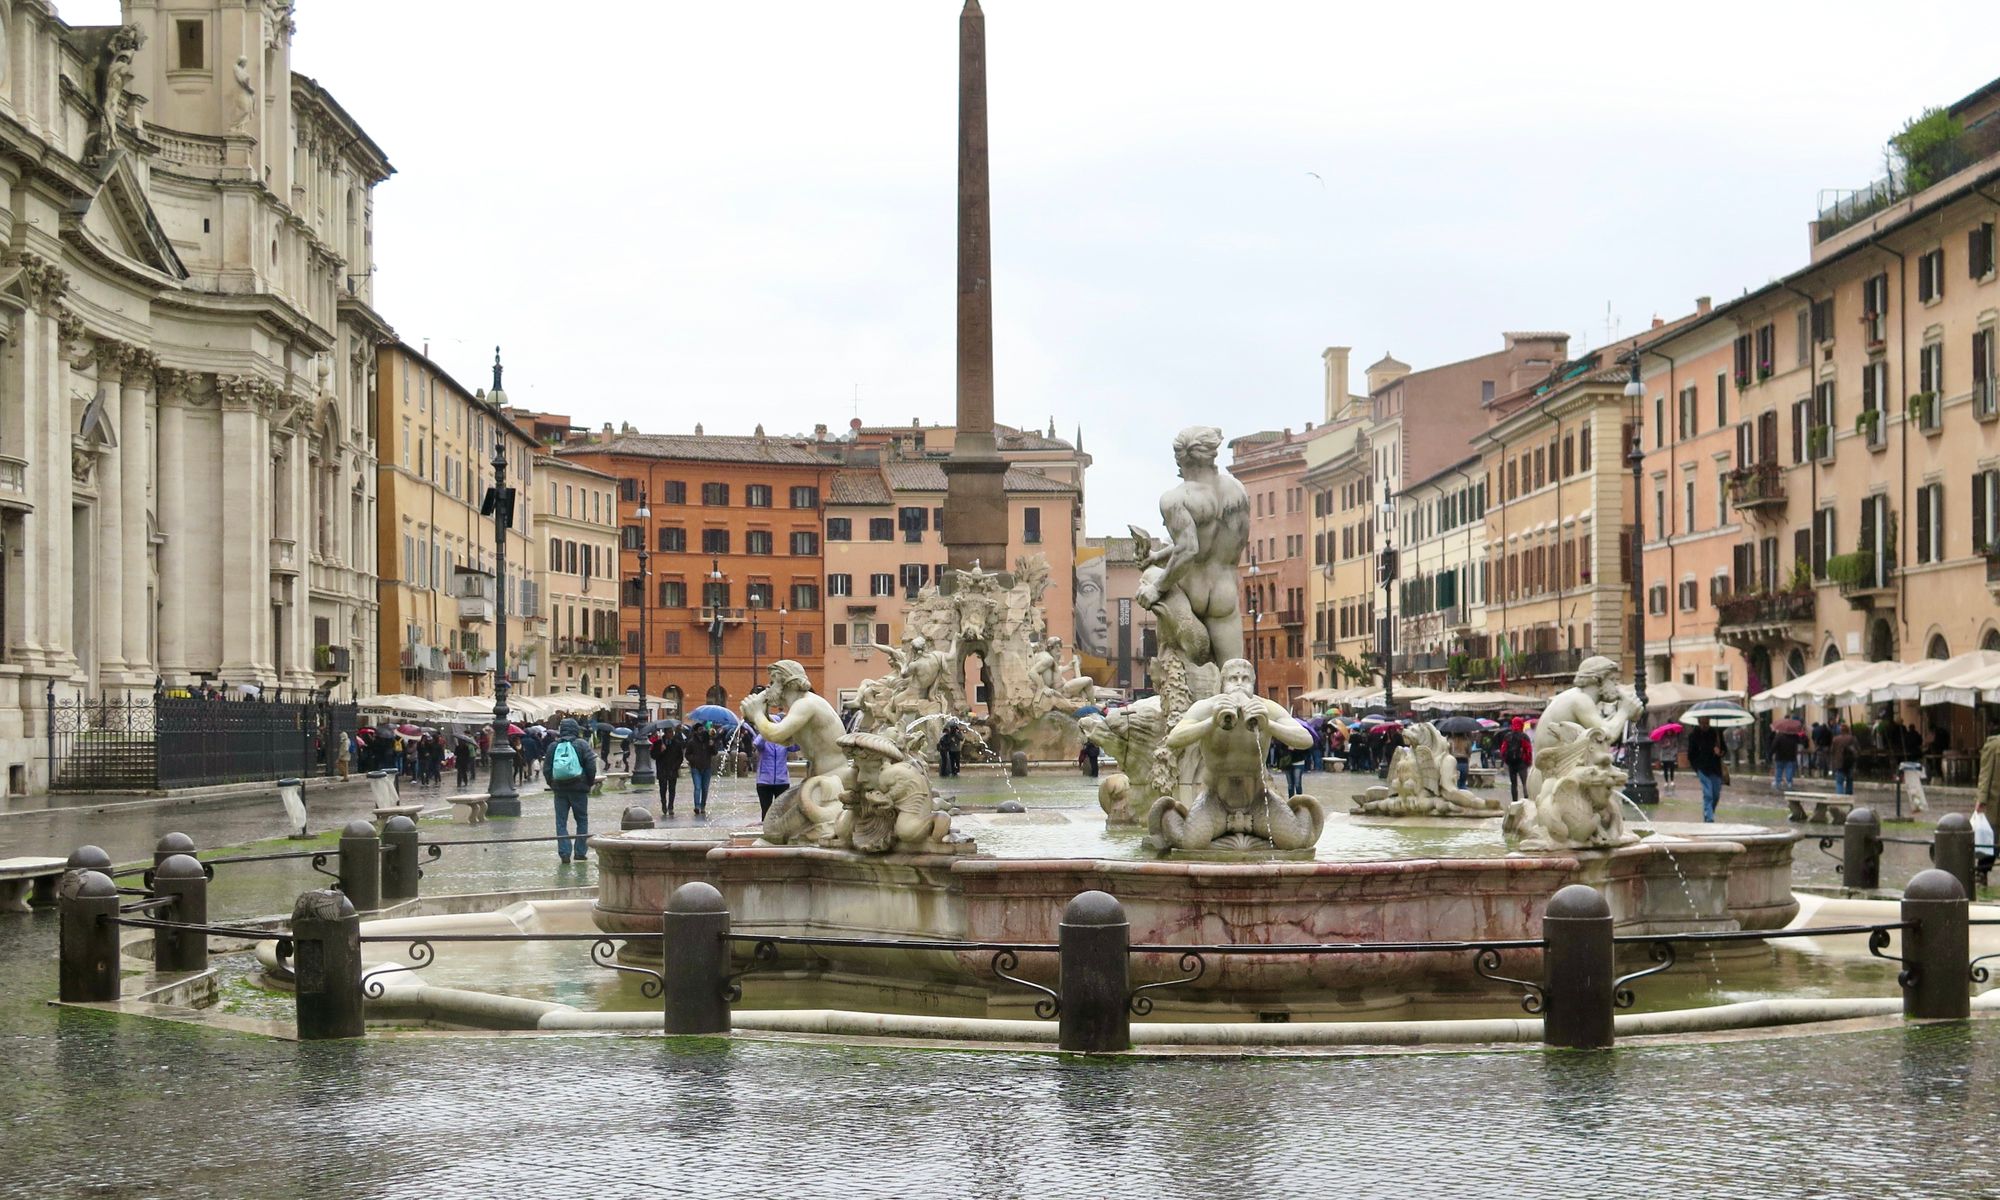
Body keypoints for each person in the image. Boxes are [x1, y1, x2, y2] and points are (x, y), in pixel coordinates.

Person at [545, 717, 597, 865]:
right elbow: (591, 765)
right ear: (575, 729)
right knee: (581, 820)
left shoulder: (553, 746)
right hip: (579, 789)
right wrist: (588, 783)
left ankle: (564, 853)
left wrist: (553, 784)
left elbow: (547, 768)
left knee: (561, 822)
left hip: (560, 790)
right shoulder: (582, 744)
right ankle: (580, 852)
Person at [1686, 715, 1726, 823]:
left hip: (1715, 769)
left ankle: (1709, 812)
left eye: (1707, 723)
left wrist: (1720, 751)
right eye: (1702, 723)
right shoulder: (1694, 735)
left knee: (1715, 794)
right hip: (1702, 769)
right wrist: (1697, 768)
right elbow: (1690, 755)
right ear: (1699, 722)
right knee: (1708, 794)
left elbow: (1724, 750)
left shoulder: (1716, 733)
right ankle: (1709, 818)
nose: (1705, 726)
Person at [752, 728, 793, 821]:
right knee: (766, 813)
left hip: (782, 781)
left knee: (782, 813)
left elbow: (796, 746)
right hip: (764, 782)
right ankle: (766, 828)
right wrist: (766, 731)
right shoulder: (763, 741)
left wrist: (790, 731)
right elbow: (757, 744)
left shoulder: (784, 742)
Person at [684, 721, 717, 816]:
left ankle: (703, 806)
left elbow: (714, 753)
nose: (702, 731)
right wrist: (693, 759)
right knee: (697, 788)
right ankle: (697, 806)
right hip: (696, 768)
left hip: (707, 767)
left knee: (705, 788)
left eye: (702, 729)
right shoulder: (692, 742)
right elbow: (687, 754)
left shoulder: (708, 740)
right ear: (695, 731)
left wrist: (712, 746)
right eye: (700, 729)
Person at [651, 727, 686, 816]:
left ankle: (671, 807)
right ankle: (664, 804)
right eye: (670, 732)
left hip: (672, 770)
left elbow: (680, 757)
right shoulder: (658, 743)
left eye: (672, 732)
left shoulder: (676, 743)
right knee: (663, 789)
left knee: (672, 789)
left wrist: (676, 766)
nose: (671, 734)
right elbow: (653, 756)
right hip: (662, 770)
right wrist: (661, 751)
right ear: (666, 733)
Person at [1499, 717, 1533, 803]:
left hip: (1512, 764)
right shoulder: (1524, 736)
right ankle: (1526, 801)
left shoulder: (1508, 736)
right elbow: (1528, 750)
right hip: (1522, 763)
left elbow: (1503, 750)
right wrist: (1528, 762)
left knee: (1513, 784)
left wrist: (1506, 761)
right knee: (1525, 783)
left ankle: (1514, 802)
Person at [1771, 722, 1802, 792]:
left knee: (1779, 770)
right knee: (1789, 770)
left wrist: (1771, 753)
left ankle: (1778, 783)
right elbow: (1799, 742)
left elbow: (1774, 746)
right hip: (1791, 757)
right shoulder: (1794, 736)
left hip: (1780, 756)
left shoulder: (1779, 736)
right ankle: (1789, 784)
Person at [1830, 721, 1858, 796]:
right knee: (1849, 781)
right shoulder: (1852, 738)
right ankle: (1848, 796)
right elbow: (1857, 749)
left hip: (1839, 763)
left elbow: (1832, 751)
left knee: (1839, 782)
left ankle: (1840, 797)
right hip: (1850, 762)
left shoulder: (1835, 739)